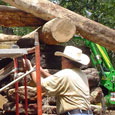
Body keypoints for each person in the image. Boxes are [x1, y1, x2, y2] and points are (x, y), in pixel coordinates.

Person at [23, 46, 93, 115]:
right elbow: (57, 80)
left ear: (67, 61)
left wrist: (31, 69)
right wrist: (43, 72)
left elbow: (41, 84)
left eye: (62, 60)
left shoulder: (65, 73)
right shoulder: (81, 74)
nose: (61, 62)